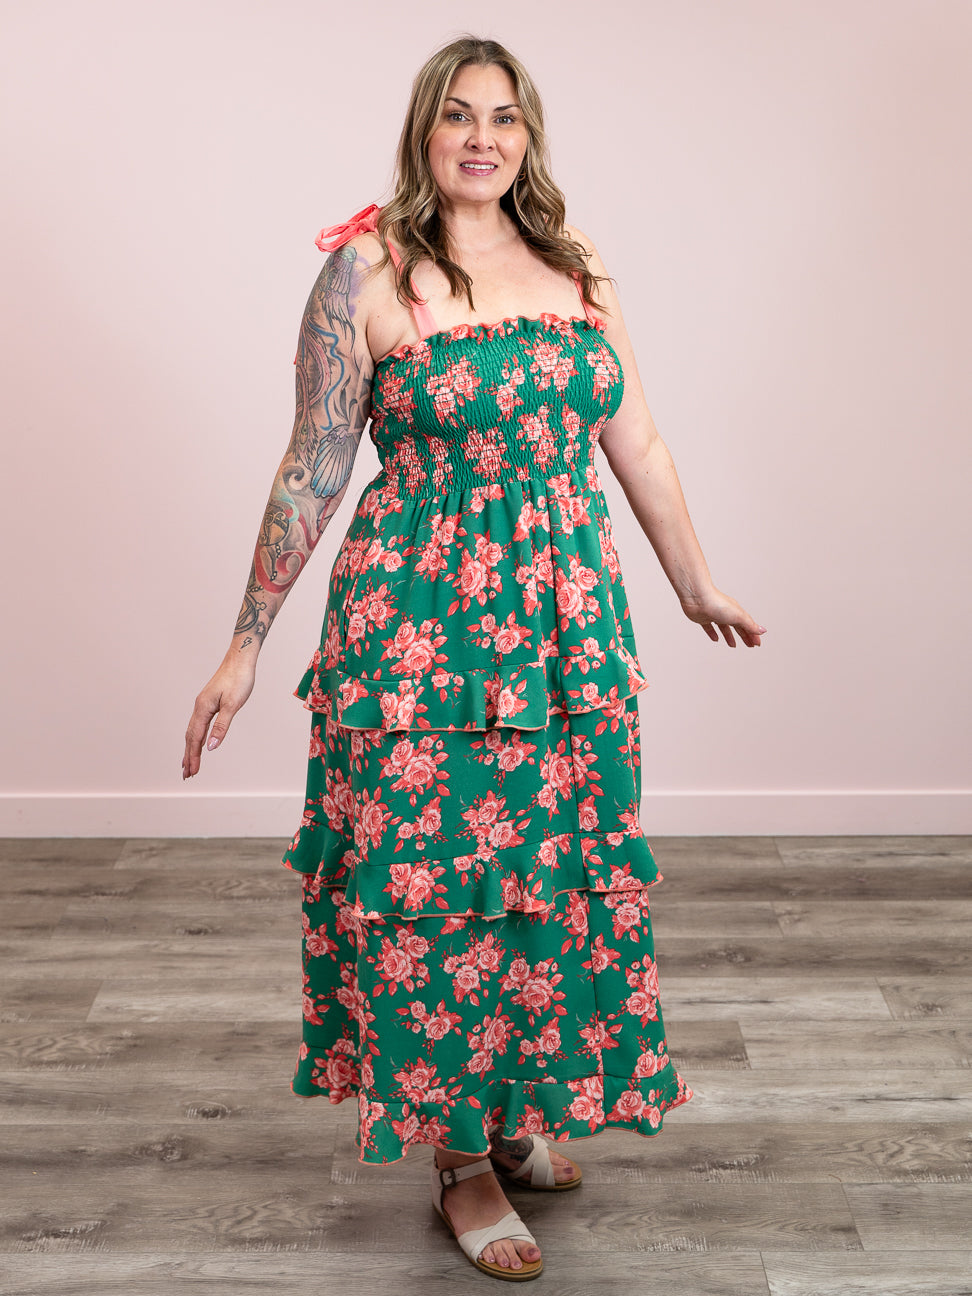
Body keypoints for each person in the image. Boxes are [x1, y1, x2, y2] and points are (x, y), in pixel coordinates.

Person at [183, 34, 765, 1282]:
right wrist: (243, 644)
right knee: (443, 887)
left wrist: (694, 583)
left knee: (544, 874)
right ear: (425, 132)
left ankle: (507, 1113)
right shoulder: (368, 270)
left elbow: (638, 442)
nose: (482, 138)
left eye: (504, 117)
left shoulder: (575, 264)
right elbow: (312, 467)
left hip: (561, 634)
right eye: (458, 116)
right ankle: (459, 1162)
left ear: (529, 136)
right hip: (419, 637)